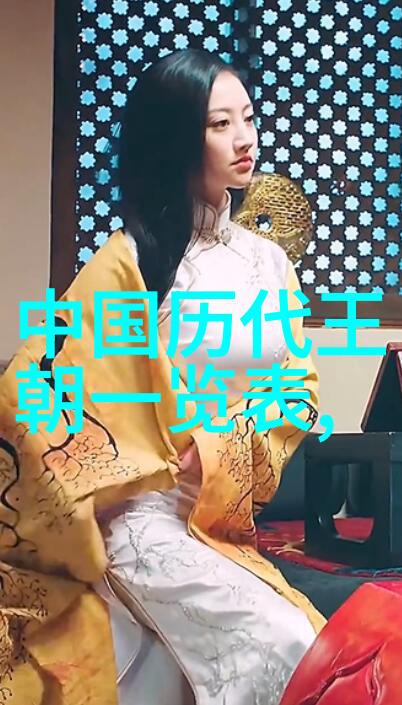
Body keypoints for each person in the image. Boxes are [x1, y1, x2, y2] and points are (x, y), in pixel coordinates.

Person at [92, 48, 324, 705]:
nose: (244, 138)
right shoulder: (127, 263)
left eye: (247, 117)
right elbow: (81, 404)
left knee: (303, 643)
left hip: (223, 512)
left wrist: (225, 443)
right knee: (282, 638)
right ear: (174, 139)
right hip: (139, 515)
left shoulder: (269, 263)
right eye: (220, 124)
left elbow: (299, 389)